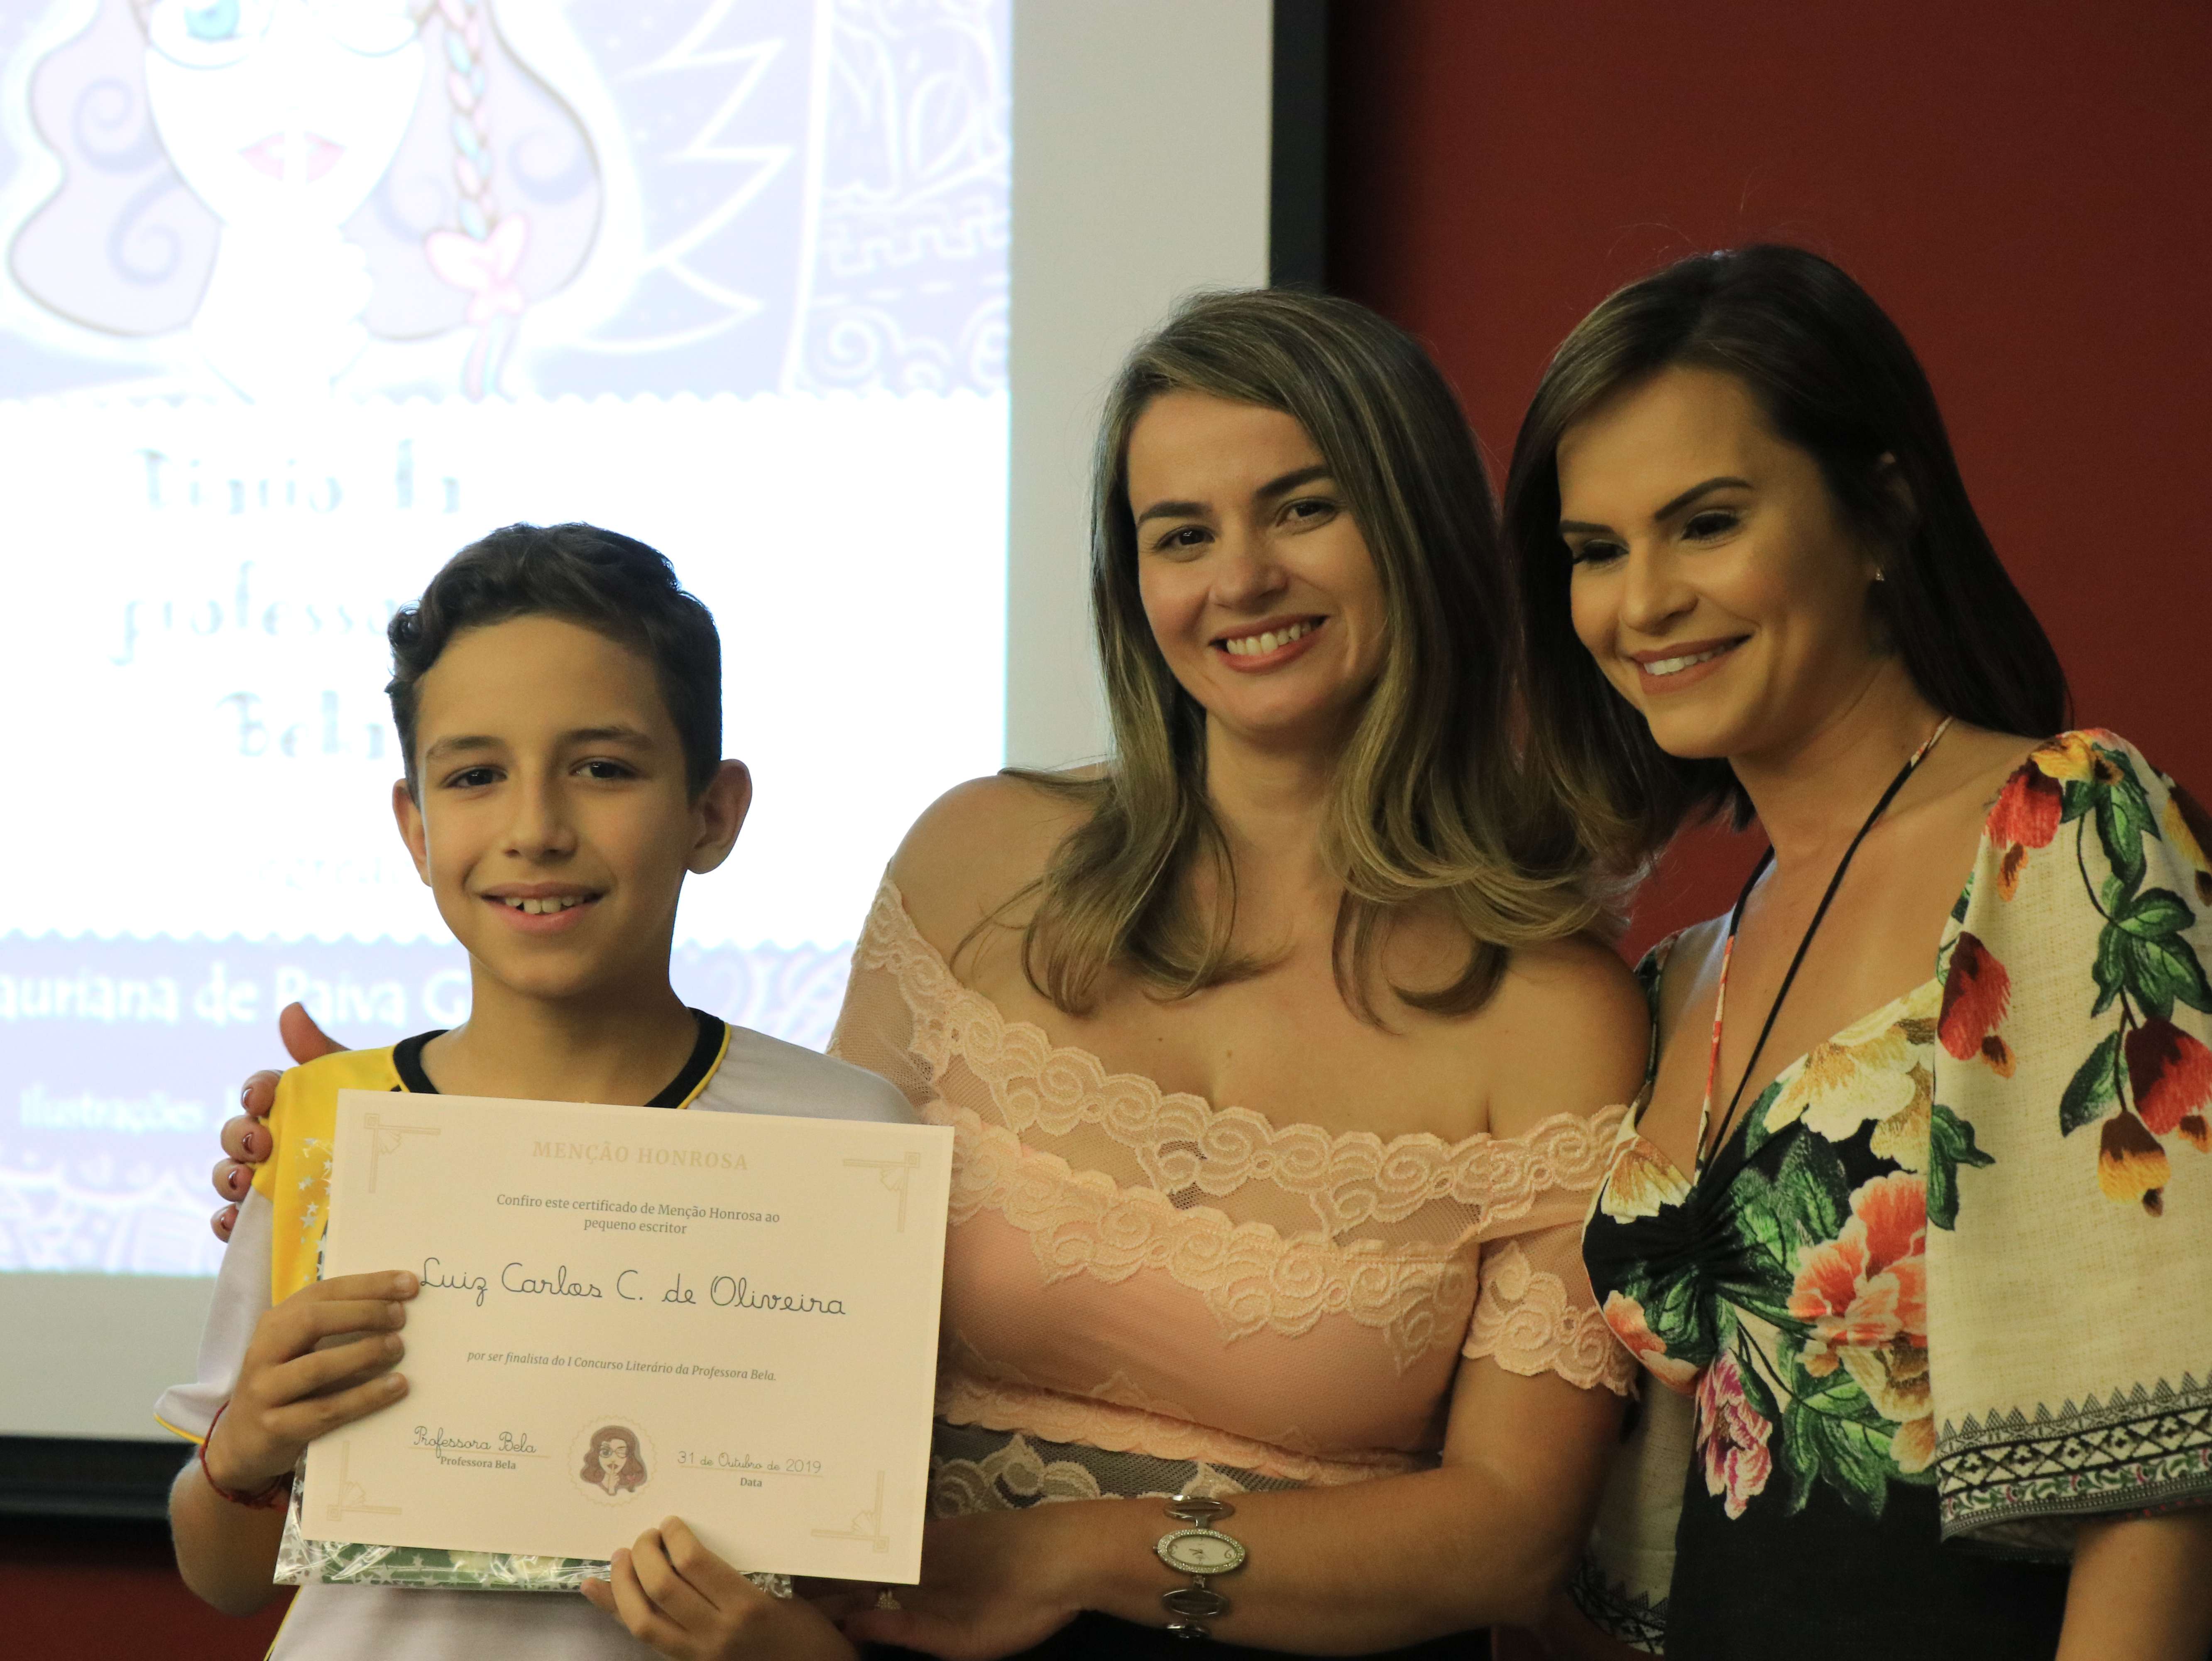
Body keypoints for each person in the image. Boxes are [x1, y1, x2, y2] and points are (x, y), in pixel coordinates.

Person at [210, 289, 1653, 1658]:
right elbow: (766, 1236)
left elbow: (1511, 1541)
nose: (1240, 578)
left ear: (1417, 528)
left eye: (1303, 508)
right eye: (1180, 532)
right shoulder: (980, 863)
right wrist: (448, 1153)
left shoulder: (1555, 1015)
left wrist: (1072, 1554)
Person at [1504, 244, 2212, 1658]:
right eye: (1595, 551)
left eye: (1706, 525)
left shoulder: (2063, 831)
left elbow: (2169, 1472)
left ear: (1882, 510)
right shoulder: (1678, 979)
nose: (1642, 604)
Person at [161, 523, 909, 1661]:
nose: (537, 830)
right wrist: (245, 1448)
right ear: (416, 828)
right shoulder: (325, 1131)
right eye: (474, 777)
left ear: (712, 812)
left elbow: (869, 1578)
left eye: (603, 768)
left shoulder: (849, 1145)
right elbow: (220, 1579)